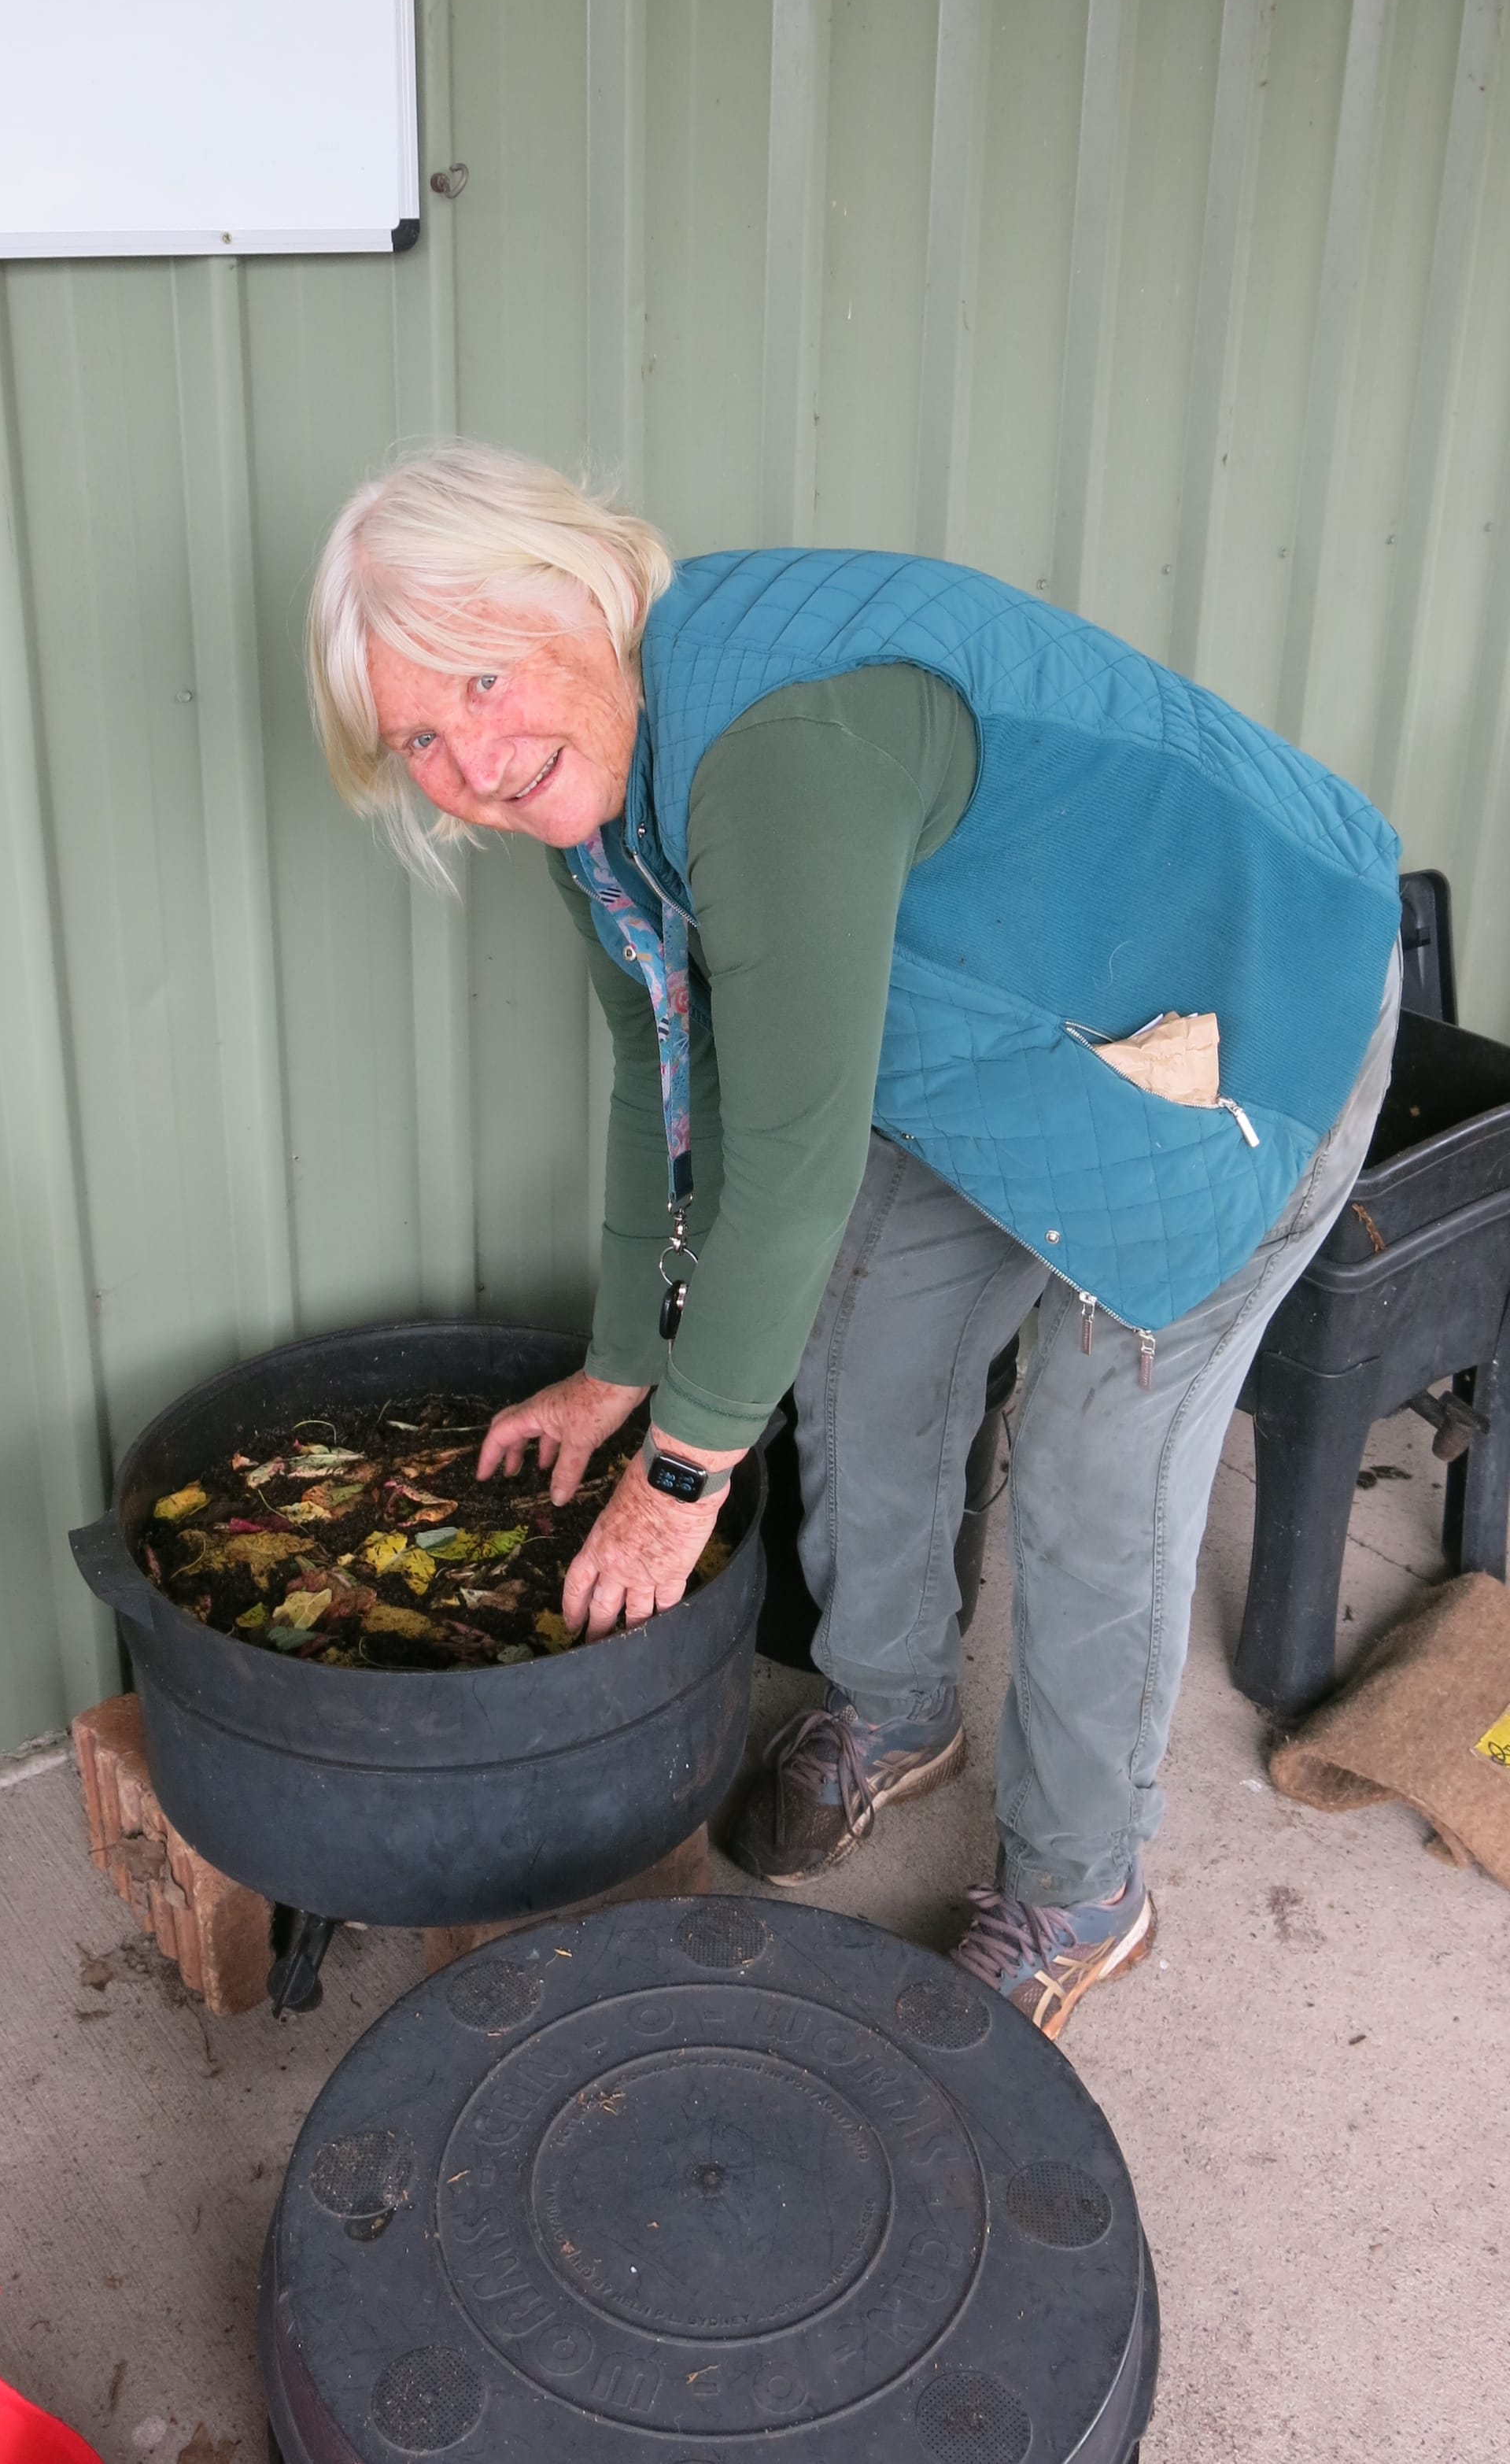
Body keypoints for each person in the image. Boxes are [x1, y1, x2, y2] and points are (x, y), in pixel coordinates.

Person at [308, 442, 1401, 2038]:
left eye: (478, 679)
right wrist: (622, 1370)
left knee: (1098, 1482)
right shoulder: (589, 795)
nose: (469, 758)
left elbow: (793, 1162)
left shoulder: (773, 745)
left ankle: (1078, 1888)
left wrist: (676, 1482)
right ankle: (891, 1707)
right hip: (1006, 1012)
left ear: (577, 599)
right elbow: (662, 1068)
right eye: (417, 732)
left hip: (1236, 993)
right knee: (862, 1350)